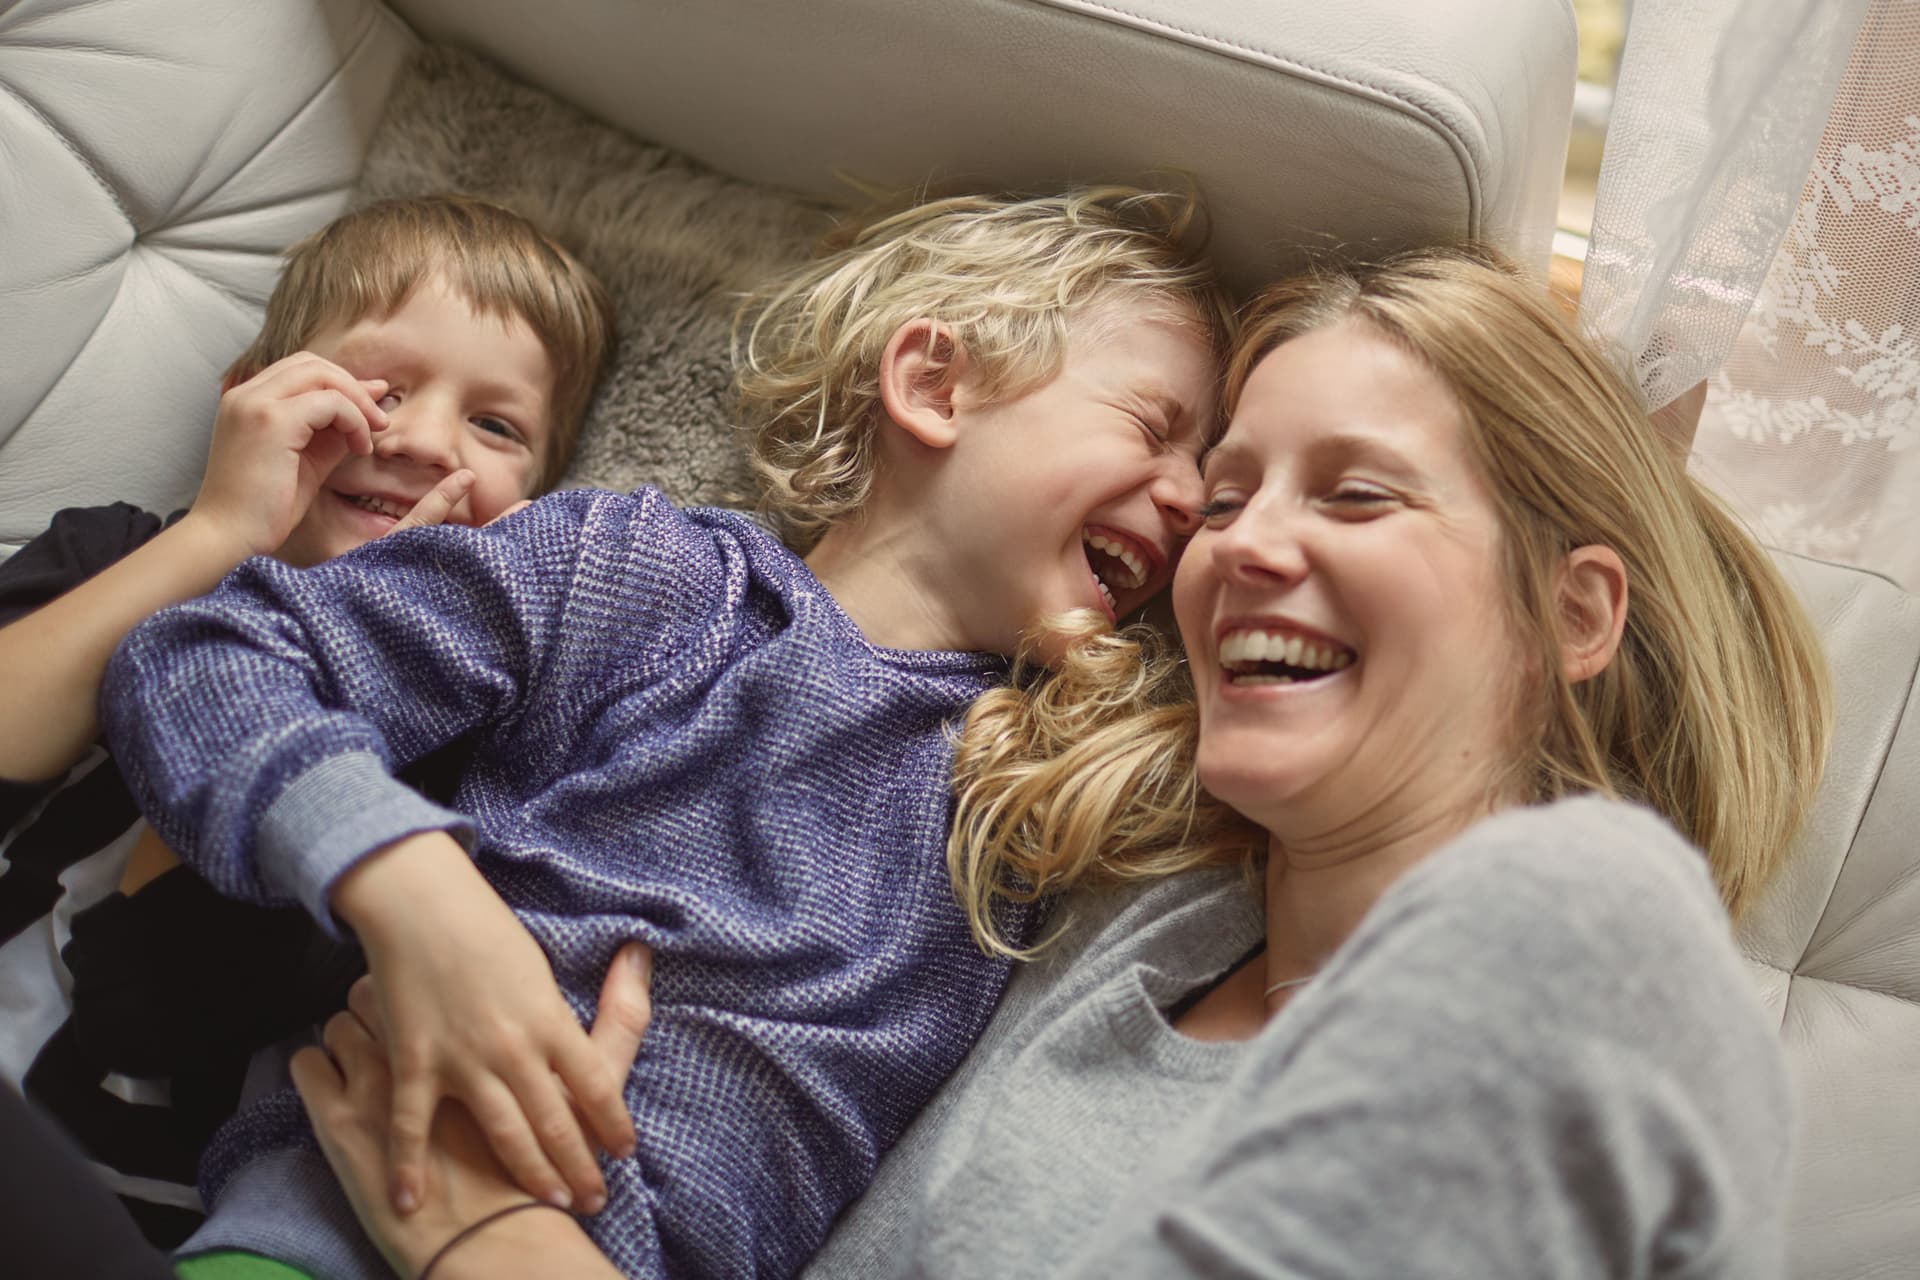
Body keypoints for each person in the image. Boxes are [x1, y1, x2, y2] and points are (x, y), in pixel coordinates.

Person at [300, 244, 1831, 1279]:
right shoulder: (1092, 927)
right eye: (1222, 498)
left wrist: (500, 1246)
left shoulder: (1597, 933)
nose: (1232, 546)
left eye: (1357, 497)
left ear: (1574, 613)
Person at [97, 187, 1234, 1279]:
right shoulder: (641, 573)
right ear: (933, 383)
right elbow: (202, 660)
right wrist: (409, 889)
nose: (1187, 500)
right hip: (342, 1219)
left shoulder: (1045, 786)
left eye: (1213, 484)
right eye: (1156, 427)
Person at [0, 193, 613, 1244]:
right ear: (251, 397)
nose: (423, 440)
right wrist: (221, 530)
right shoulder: (118, 554)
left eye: (495, 425)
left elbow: (141, 1004)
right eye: (380, 389)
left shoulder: (441, 765)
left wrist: (382, 634)